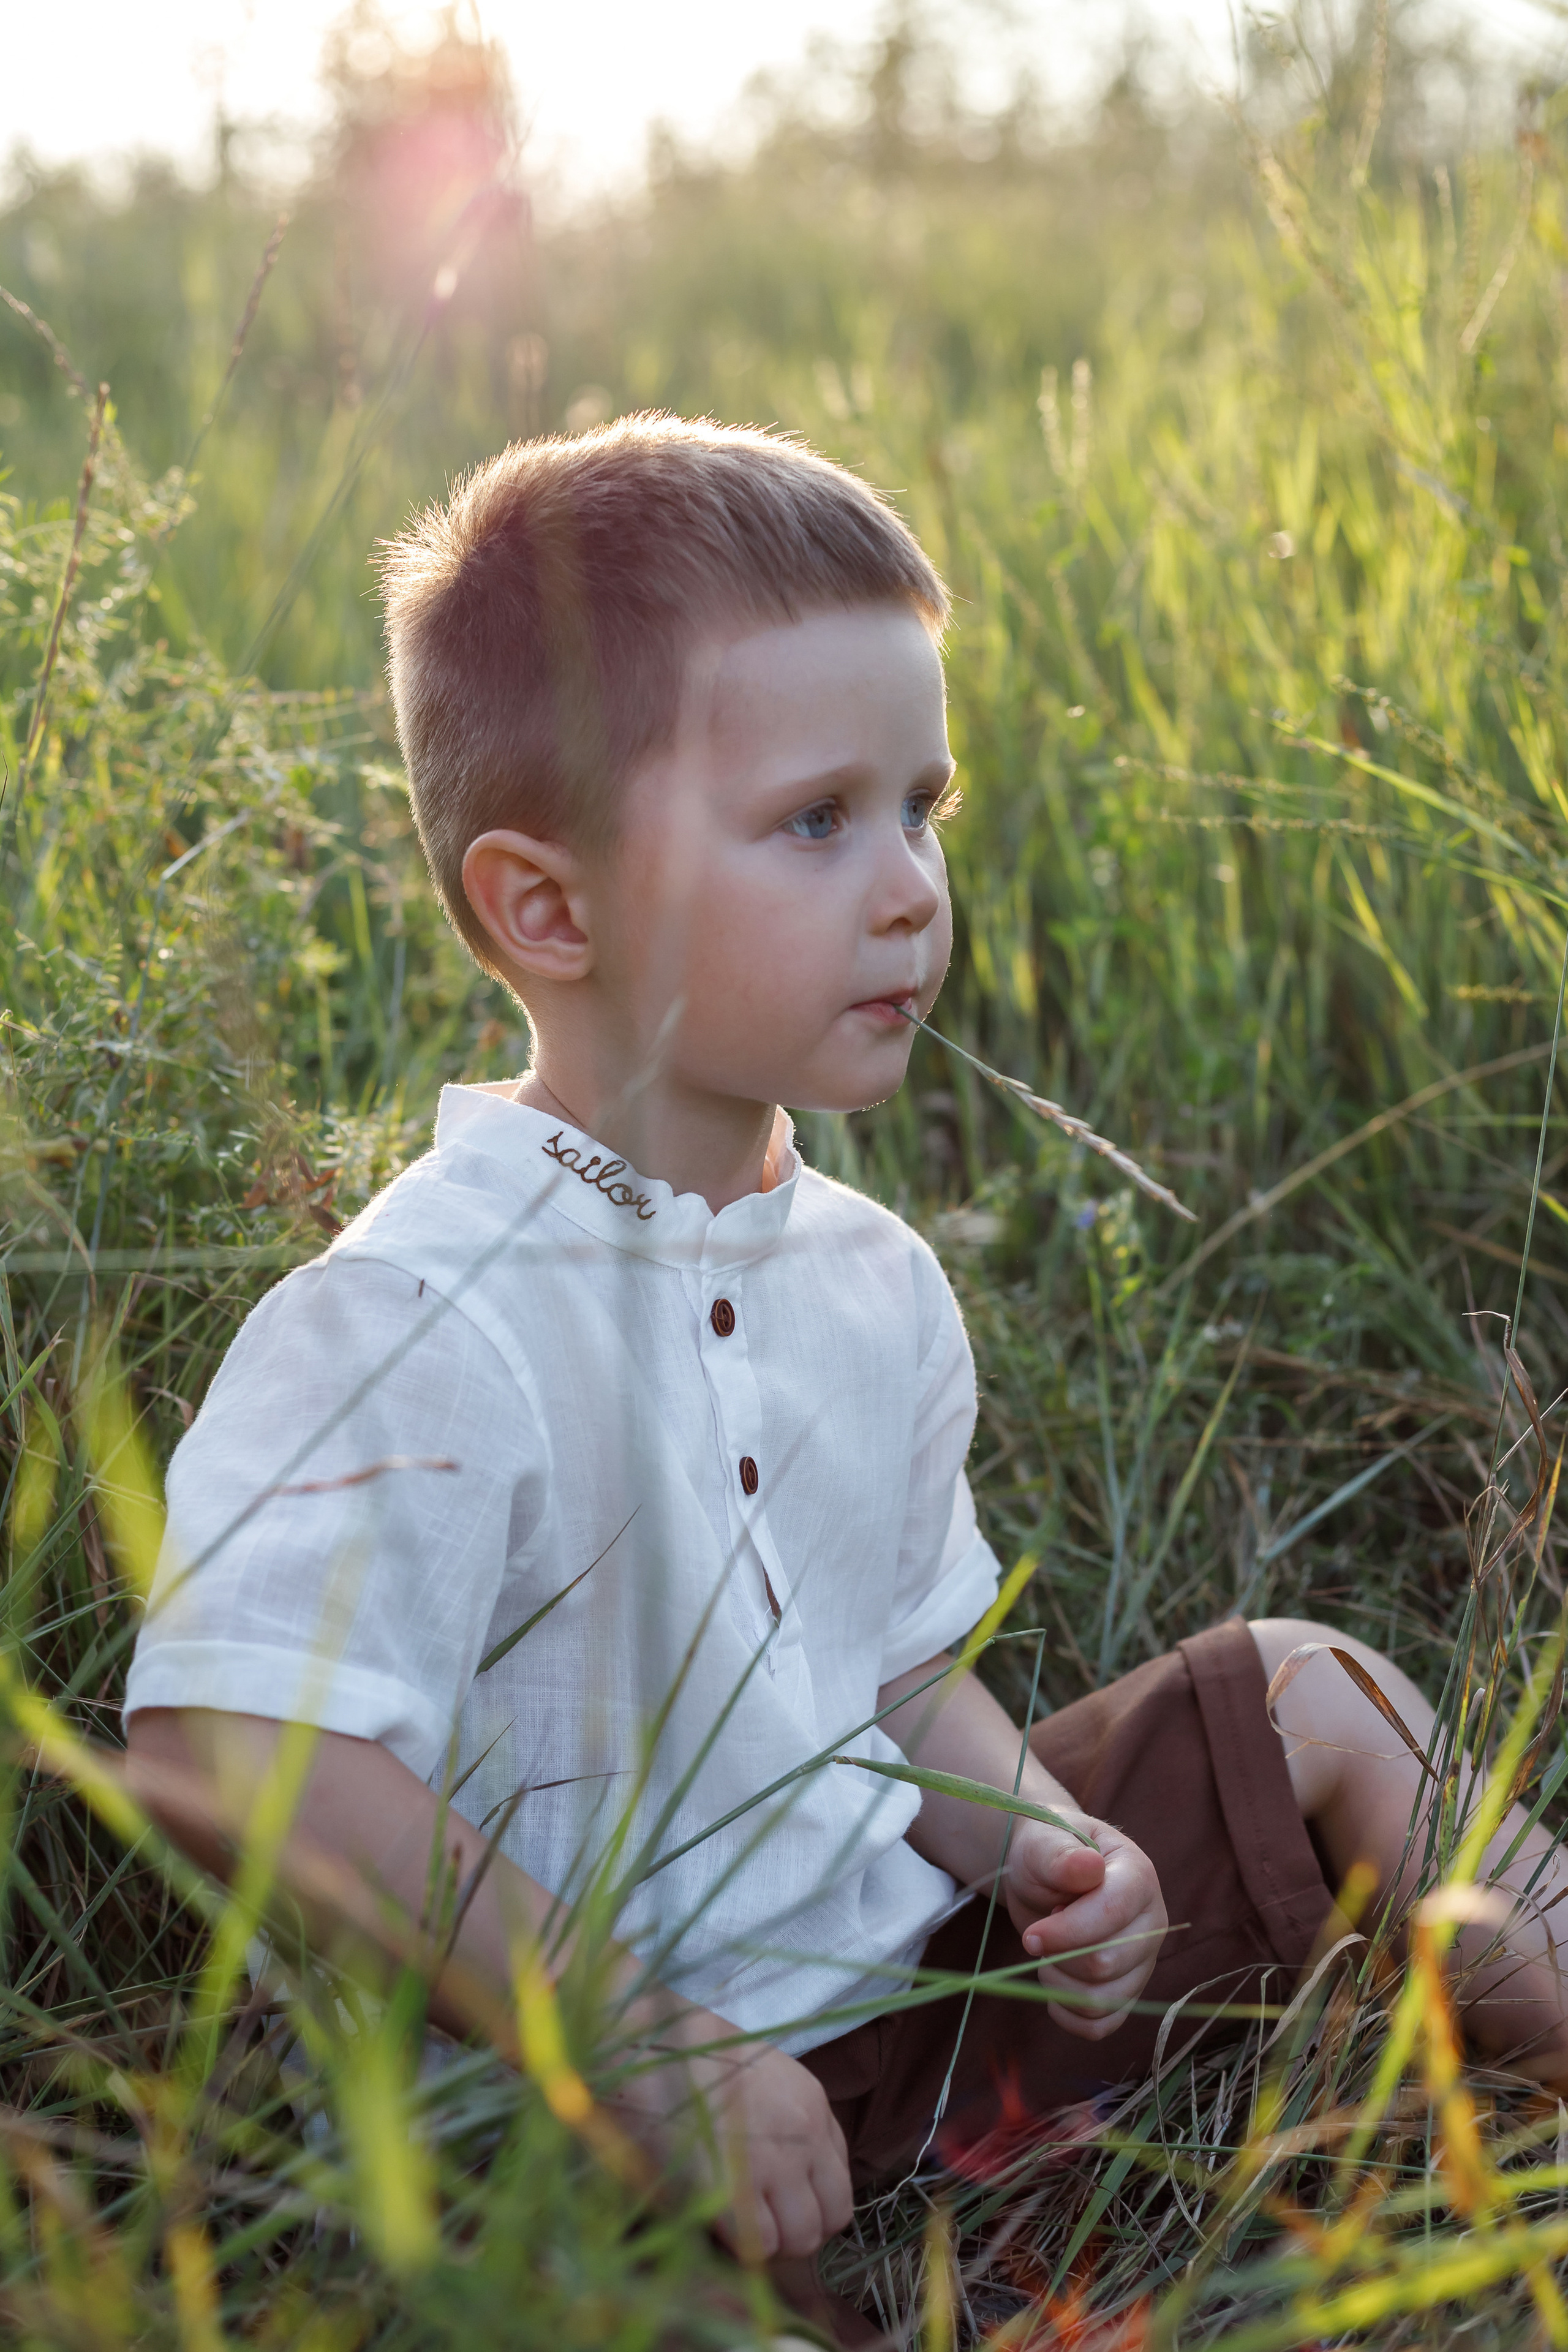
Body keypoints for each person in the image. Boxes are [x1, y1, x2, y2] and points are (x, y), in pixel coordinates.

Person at [123, 415, 1568, 2342]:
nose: (908, 889)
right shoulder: (417, 1314)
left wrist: (1041, 1842)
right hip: (584, 2136)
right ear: (549, 908)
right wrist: (638, 2044)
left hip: (912, 2004)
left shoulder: (870, 1279)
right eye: (817, 822)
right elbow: (226, 1748)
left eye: (922, 808)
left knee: (1313, 1691)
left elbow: (888, 1675)